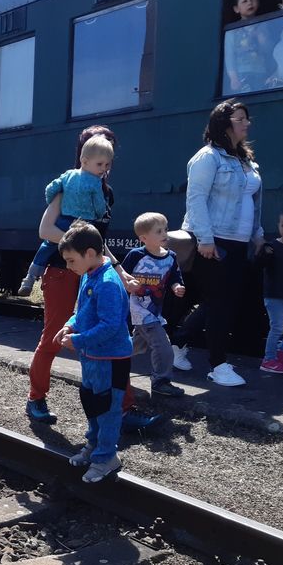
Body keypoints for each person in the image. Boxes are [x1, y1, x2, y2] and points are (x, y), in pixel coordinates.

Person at [26, 126, 157, 432]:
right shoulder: (68, 186)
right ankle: (36, 398)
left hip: (94, 272)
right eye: (99, 152)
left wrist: (120, 271)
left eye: (109, 154)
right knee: (54, 336)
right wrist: (77, 249)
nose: (105, 163)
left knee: (112, 337)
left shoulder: (105, 194)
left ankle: (123, 409)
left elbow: (97, 242)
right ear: (84, 155)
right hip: (62, 270)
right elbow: (46, 230)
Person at [171, 100, 264, 387]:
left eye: (247, 119)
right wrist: (206, 239)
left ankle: (178, 343)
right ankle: (218, 365)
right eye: (240, 119)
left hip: (238, 241)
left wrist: (257, 233)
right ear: (224, 124)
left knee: (218, 301)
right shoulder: (208, 157)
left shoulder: (246, 160)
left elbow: (253, 201)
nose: (247, 123)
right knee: (221, 304)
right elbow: (196, 198)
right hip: (213, 239)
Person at [54, 223, 132, 484]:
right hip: (92, 356)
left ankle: (106, 457)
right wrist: (69, 326)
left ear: (89, 253)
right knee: (93, 403)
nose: (68, 266)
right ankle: (95, 446)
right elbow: (82, 311)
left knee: (108, 409)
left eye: (71, 260)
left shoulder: (107, 282)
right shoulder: (88, 273)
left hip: (110, 358)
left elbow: (110, 326)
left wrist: (78, 340)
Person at [17, 135, 114, 296]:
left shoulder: (68, 175)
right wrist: (98, 214)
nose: (103, 168)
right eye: (100, 164)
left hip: (64, 220)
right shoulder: (95, 182)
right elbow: (98, 204)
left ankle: (30, 277)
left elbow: (51, 188)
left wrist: (53, 199)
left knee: (46, 247)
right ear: (84, 161)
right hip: (84, 223)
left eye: (107, 165)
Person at [121, 213, 186, 397]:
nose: (164, 233)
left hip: (155, 310)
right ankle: (160, 381)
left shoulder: (171, 257)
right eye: (158, 231)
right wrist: (127, 287)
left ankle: (109, 358)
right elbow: (121, 276)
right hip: (139, 310)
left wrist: (176, 286)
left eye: (165, 229)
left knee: (137, 346)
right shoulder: (136, 255)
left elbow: (174, 277)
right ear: (144, 238)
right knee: (164, 347)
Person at [255, 205, 283, 373]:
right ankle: (268, 360)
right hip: (274, 296)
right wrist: (264, 254)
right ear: (278, 225)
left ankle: (282, 349)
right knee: (277, 327)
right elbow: (259, 265)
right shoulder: (272, 247)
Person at [225, 0, 272, 93]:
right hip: (242, 73)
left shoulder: (264, 25)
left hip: (262, 72)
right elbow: (229, 56)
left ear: (258, 2)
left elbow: (269, 51)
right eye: (244, 1)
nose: (250, 3)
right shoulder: (232, 31)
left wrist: (262, 39)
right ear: (236, 9)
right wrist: (233, 77)